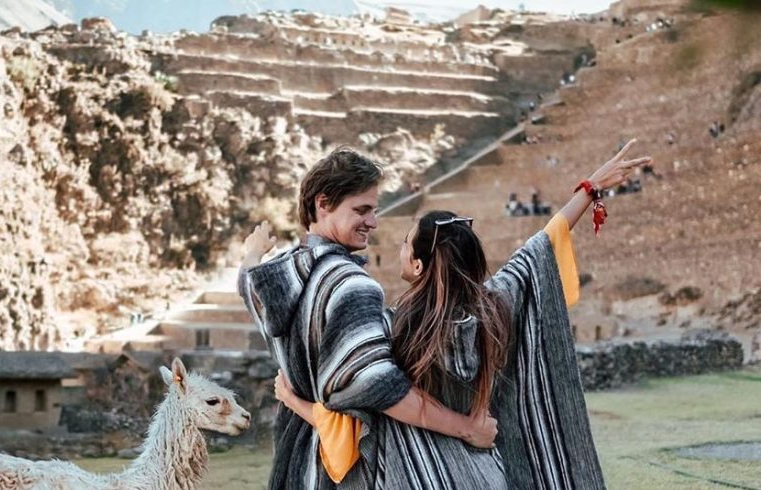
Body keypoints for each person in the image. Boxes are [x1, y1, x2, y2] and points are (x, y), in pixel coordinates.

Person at [249, 141, 652, 489]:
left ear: (421, 266)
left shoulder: (387, 325)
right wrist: (589, 188)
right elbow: (535, 253)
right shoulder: (492, 307)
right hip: (482, 472)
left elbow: (365, 406)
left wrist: (295, 402)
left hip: (409, 473)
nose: (378, 226)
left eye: (407, 243)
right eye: (365, 210)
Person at [239, 148, 498, 489]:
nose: (373, 222)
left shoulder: (279, 277)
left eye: (374, 210)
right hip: (346, 472)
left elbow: (248, 284)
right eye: (361, 210)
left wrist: (252, 254)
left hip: (297, 462)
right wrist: (467, 428)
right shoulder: (352, 286)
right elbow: (378, 386)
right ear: (323, 203)